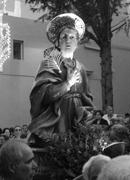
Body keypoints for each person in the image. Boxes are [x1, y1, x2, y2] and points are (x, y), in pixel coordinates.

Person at [28, 13, 93, 143]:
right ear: (58, 42)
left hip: (77, 115)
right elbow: (41, 94)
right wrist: (67, 84)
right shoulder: (49, 62)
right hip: (57, 117)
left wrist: (85, 113)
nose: (68, 40)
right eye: (64, 37)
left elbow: (87, 97)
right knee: (59, 143)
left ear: (77, 42)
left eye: (72, 37)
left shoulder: (81, 68)